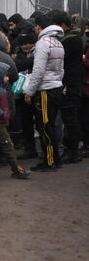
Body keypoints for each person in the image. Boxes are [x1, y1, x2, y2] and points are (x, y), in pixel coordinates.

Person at [24, 14, 65, 172]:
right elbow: (61, 69)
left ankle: (49, 162)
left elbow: (38, 71)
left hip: (45, 90)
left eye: (35, 26)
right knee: (51, 126)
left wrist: (29, 91)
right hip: (56, 87)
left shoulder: (42, 43)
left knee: (45, 127)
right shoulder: (58, 43)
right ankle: (56, 159)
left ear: (39, 27)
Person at [49, 10, 84, 164]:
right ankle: (71, 149)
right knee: (69, 117)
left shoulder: (71, 40)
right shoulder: (74, 38)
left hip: (70, 84)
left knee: (70, 117)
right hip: (72, 83)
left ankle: (72, 150)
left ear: (63, 25)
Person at [0, 62, 30, 179]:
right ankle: (16, 170)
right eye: (5, 75)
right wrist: (2, 114)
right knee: (7, 145)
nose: (8, 78)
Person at [13, 29, 38, 160]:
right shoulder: (20, 55)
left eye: (29, 42)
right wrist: (33, 62)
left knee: (41, 122)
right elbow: (17, 65)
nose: (26, 45)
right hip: (23, 93)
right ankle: (30, 149)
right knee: (26, 122)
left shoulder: (39, 51)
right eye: (24, 43)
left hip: (38, 91)